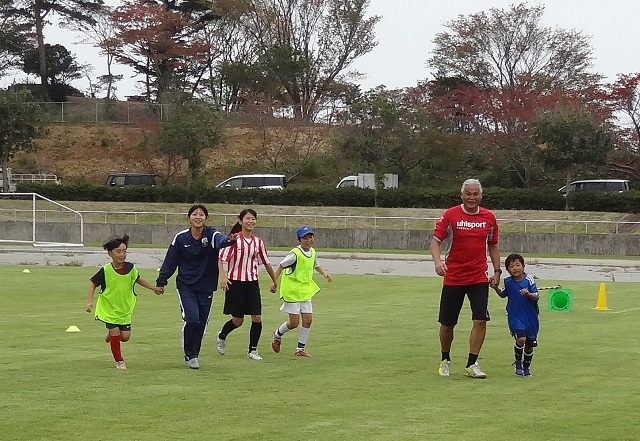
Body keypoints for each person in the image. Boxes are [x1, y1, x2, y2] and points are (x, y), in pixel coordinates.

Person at [430, 178, 501, 379]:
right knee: (447, 323)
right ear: (462, 195)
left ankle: (472, 363)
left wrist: (497, 271)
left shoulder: (489, 217)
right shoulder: (450, 215)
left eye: (475, 194)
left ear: (481, 196)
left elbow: (493, 245)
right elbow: (435, 242)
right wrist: (437, 263)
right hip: (453, 277)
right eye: (468, 194)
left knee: (480, 320)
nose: (471, 197)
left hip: (478, 277)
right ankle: (445, 359)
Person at [155, 204, 235, 370]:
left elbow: (220, 240)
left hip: (206, 287)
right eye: (194, 214)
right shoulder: (181, 238)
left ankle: (194, 355)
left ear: (205, 218)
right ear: (189, 218)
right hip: (186, 286)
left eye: (201, 214)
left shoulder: (211, 234)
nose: (198, 217)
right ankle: (189, 353)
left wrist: (228, 241)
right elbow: (171, 261)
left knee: (201, 323)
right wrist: (161, 281)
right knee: (192, 318)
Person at [86, 234, 162, 370]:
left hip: (124, 309)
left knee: (125, 337)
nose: (122, 254)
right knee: (115, 332)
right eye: (118, 251)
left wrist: (154, 288)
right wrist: (89, 302)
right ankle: (119, 361)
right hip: (109, 308)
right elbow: (93, 284)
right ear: (110, 253)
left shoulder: (130, 268)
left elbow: (138, 279)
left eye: (124, 251)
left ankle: (111, 335)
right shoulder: (105, 270)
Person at [215, 208, 278, 361]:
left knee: (257, 317)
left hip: (252, 283)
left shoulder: (258, 242)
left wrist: (275, 280)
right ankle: (222, 336)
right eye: (248, 219)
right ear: (241, 221)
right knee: (238, 320)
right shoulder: (234, 239)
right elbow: (221, 258)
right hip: (235, 282)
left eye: (253, 219)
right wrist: (223, 276)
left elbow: (266, 262)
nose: (251, 221)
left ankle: (253, 350)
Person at [269, 225, 332, 357]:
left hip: (305, 290)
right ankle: (277, 334)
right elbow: (281, 265)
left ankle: (300, 349)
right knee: (294, 323)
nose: (308, 240)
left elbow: (316, 264)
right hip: (292, 292)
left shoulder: (313, 252)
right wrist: (275, 282)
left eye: (310, 237)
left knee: (308, 320)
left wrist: (324, 274)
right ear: (299, 240)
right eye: (305, 238)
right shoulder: (295, 254)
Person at [490, 253, 539, 377]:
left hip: (531, 317)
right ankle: (518, 363)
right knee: (521, 339)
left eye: (518, 265)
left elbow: (537, 296)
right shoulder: (507, 282)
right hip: (515, 316)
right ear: (507, 269)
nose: (515, 268)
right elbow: (503, 294)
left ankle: (526, 367)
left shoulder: (529, 279)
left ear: (523, 266)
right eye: (511, 266)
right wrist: (495, 288)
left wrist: (528, 293)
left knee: (529, 346)